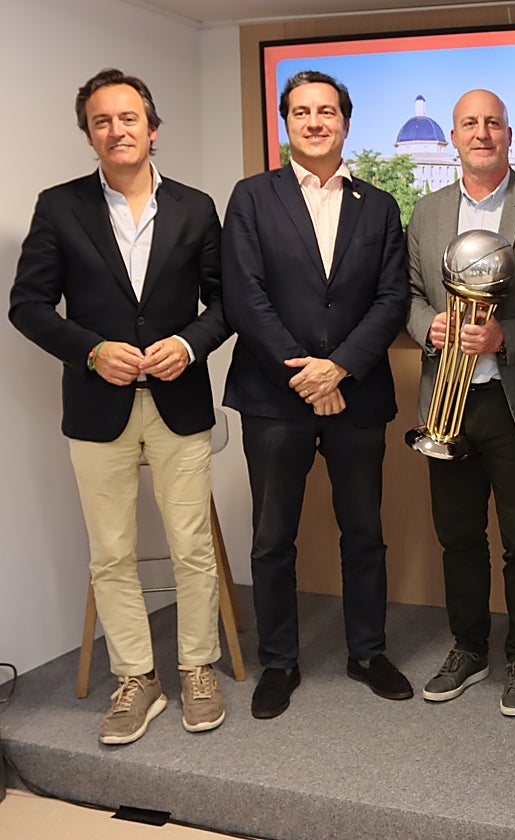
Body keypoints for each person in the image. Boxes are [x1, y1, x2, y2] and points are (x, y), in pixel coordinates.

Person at [9, 68, 230, 744]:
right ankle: (137, 678)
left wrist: (188, 346)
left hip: (179, 401)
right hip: (95, 407)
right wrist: (91, 351)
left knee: (191, 546)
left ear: (152, 129)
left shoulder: (196, 207)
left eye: (128, 118)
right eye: (101, 121)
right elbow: (27, 306)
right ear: (89, 135)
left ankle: (197, 667)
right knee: (111, 553)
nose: (116, 130)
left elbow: (226, 303)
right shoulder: (59, 207)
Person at [222, 70, 410, 719]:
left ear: (345, 123)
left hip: (356, 395)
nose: (314, 122)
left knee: (364, 533)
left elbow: (392, 299)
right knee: (272, 538)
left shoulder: (379, 205)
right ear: (286, 123)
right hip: (275, 397)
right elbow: (244, 295)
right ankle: (279, 661)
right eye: (301, 111)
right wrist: (306, 374)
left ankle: (368, 653)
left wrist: (341, 369)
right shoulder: (252, 197)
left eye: (326, 111)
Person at [406, 90, 515, 717]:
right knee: (458, 537)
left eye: (493, 123)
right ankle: (469, 647)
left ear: (508, 133)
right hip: (444, 404)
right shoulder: (426, 212)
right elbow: (406, 293)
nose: (482, 133)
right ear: (453, 137)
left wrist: (510, 335)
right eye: (470, 124)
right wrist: (428, 326)